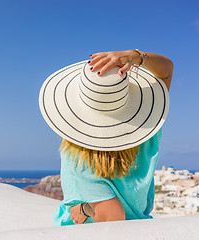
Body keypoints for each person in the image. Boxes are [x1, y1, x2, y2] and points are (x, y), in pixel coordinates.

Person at [39, 49, 173, 226]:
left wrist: (83, 209)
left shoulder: (80, 155)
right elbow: (166, 70)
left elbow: (112, 216)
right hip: (138, 227)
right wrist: (135, 56)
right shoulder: (147, 129)